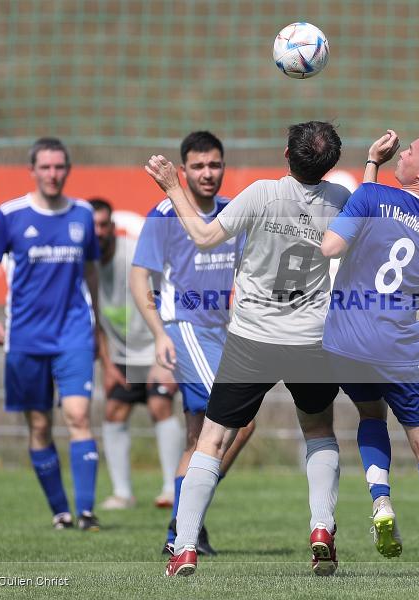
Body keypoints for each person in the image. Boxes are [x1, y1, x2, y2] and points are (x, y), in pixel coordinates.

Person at [145, 121, 351, 577]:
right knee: (319, 431)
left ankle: (184, 547)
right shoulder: (340, 199)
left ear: (286, 155)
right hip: (311, 340)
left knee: (213, 439)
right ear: (330, 164)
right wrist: (373, 164)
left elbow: (204, 237)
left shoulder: (261, 194)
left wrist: (172, 186)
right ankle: (321, 527)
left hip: (252, 338)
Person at [320, 125, 419, 578]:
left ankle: (381, 501)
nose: (402, 153)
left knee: (371, 415)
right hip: (396, 348)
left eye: (411, 151)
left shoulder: (371, 195)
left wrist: (371, 164)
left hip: (345, 340)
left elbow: (331, 246)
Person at [131, 131, 256, 557]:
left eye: (214, 164)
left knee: (198, 437)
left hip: (219, 331)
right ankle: (186, 520)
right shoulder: (165, 214)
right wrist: (159, 333)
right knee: (240, 420)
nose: (207, 173)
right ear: (183, 171)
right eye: (198, 166)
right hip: (183, 328)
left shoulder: (230, 213)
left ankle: (182, 528)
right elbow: (139, 277)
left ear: (223, 167)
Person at [0, 137, 102, 531]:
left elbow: (91, 271)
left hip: (73, 333)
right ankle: (60, 511)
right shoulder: (10, 214)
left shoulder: (83, 214)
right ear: (32, 171)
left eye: (59, 167)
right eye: (45, 167)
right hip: (26, 338)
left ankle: (86, 512)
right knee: (40, 425)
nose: (53, 174)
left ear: (68, 170)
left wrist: (96, 323)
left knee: (78, 415)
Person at [89, 198, 185, 511]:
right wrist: (107, 365)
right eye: (92, 226)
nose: (98, 232)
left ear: (112, 227)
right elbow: (94, 320)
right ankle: (122, 493)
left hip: (156, 348)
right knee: (114, 411)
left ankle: (172, 489)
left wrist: (166, 351)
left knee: (160, 406)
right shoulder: (83, 265)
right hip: (123, 353)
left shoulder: (134, 255)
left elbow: (170, 295)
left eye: (103, 225)